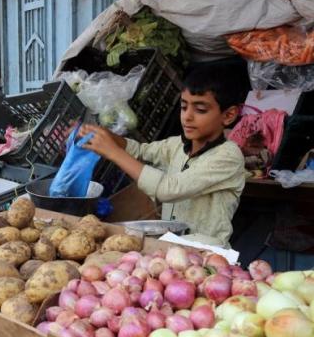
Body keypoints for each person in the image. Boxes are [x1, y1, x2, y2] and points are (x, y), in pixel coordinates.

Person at [79, 62, 248, 247]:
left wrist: (113, 152)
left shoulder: (228, 156)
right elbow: (140, 151)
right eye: (184, 107)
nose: (187, 117)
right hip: (172, 247)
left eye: (200, 110)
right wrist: (104, 135)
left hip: (207, 254)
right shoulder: (177, 145)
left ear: (229, 115)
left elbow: (168, 189)